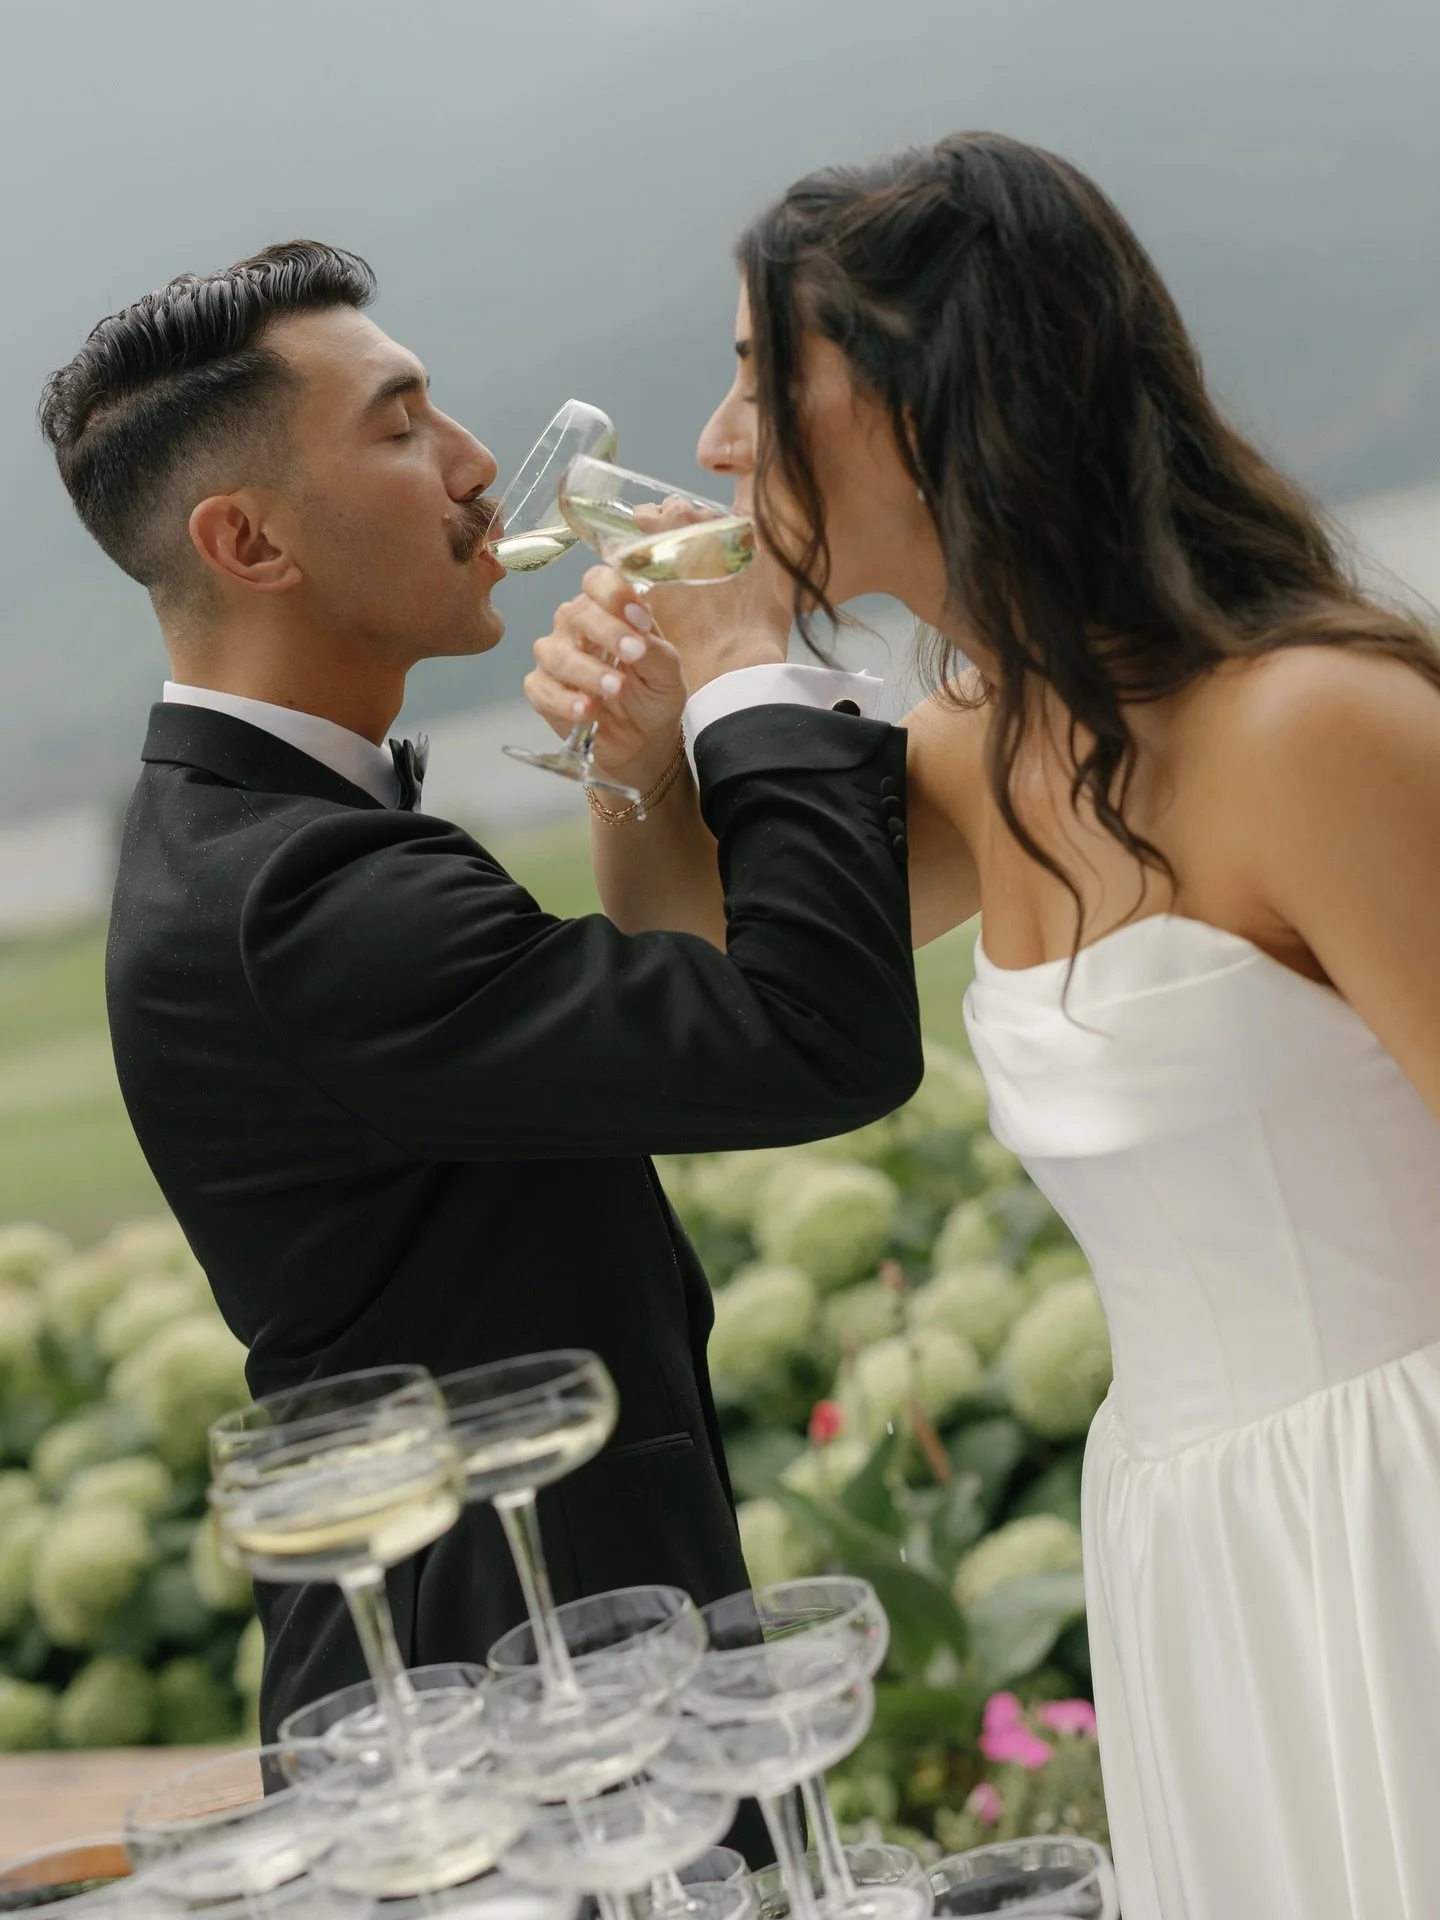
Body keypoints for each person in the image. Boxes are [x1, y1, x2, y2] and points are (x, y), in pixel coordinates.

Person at [523, 136, 1440, 1920]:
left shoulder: (1317, 728)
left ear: (933, 396)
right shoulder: (973, 749)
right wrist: (638, 767)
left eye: (753, 375)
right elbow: (702, 988)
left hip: (1403, 1504)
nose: (712, 442)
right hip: (1192, 1538)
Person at [37, 240, 924, 1768]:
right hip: (503, 1722)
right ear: (249, 541)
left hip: (527, 1676)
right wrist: (739, 680)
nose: (474, 467)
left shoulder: (265, 845)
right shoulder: (301, 904)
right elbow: (813, 1039)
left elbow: (648, 1021)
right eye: (401, 426)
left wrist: (645, 765)